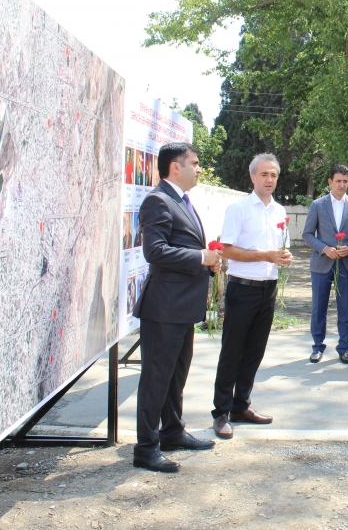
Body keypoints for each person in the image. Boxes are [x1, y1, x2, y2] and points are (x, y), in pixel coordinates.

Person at [131, 142, 221, 473]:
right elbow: (154, 252)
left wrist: (208, 262)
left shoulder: (181, 200)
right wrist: (200, 257)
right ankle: (145, 446)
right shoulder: (157, 201)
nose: (199, 169)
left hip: (183, 307)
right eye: (194, 163)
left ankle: (171, 431)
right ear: (175, 167)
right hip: (164, 308)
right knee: (156, 378)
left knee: (175, 376)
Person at [210, 154, 293, 440]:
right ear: (252, 178)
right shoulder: (239, 209)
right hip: (242, 288)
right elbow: (227, 250)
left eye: (273, 175)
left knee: (254, 352)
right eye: (264, 175)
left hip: (267, 289)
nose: (269, 180)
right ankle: (220, 412)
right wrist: (265, 255)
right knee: (232, 351)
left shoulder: (280, 211)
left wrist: (284, 256)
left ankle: (240, 406)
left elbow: (282, 247)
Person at [301, 164, 348, 363]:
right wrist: (324, 248)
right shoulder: (318, 205)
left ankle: (344, 347)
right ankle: (317, 346)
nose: (342, 185)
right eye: (338, 181)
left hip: (346, 264)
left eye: (345, 181)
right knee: (318, 307)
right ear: (330, 182)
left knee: (346, 308)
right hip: (322, 264)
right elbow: (307, 235)